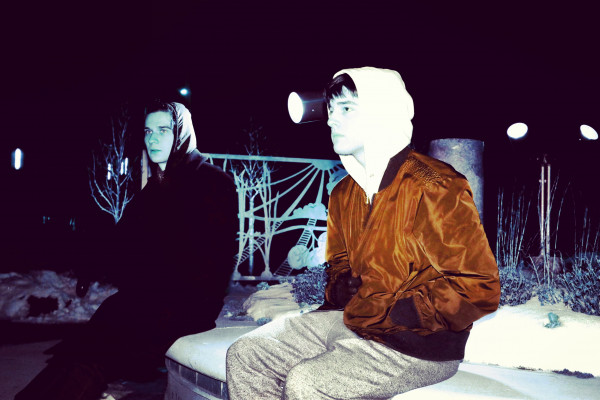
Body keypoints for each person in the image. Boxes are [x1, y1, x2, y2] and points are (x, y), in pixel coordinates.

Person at [225, 67, 500, 399]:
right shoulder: (344, 193)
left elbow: (478, 287)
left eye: (346, 108)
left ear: (381, 113)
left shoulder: (435, 185)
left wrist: (401, 311)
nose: (331, 119)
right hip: (352, 321)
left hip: (418, 343)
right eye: (330, 109)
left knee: (308, 382)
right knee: (247, 354)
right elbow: (339, 266)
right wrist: (343, 287)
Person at [16, 101, 238, 400]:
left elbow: (215, 260)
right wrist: (91, 264)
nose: (152, 139)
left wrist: (154, 286)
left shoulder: (212, 182)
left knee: (100, 345)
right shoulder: (158, 187)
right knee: (87, 344)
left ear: (182, 134)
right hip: (149, 300)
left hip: (187, 305)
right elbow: (123, 240)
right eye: (147, 131)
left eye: (163, 130)